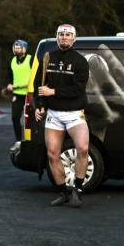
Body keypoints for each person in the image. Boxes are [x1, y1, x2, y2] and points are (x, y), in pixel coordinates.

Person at [34, 24, 90, 208]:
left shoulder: (81, 61)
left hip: (74, 113)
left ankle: (78, 190)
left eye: (68, 35)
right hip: (54, 115)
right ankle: (63, 192)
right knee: (52, 154)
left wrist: (53, 92)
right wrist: (39, 106)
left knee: (82, 149)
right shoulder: (47, 57)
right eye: (61, 34)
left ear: (74, 38)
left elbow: (77, 89)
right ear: (57, 37)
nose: (64, 37)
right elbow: (39, 87)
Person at [6, 39, 33, 150]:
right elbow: (9, 75)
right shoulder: (12, 60)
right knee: (15, 118)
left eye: (19, 48)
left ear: (24, 49)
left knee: (31, 119)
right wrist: (9, 84)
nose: (16, 50)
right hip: (17, 94)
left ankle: (32, 141)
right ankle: (18, 141)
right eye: (15, 48)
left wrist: (31, 84)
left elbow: (37, 74)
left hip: (29, 94)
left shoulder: (30, 59)